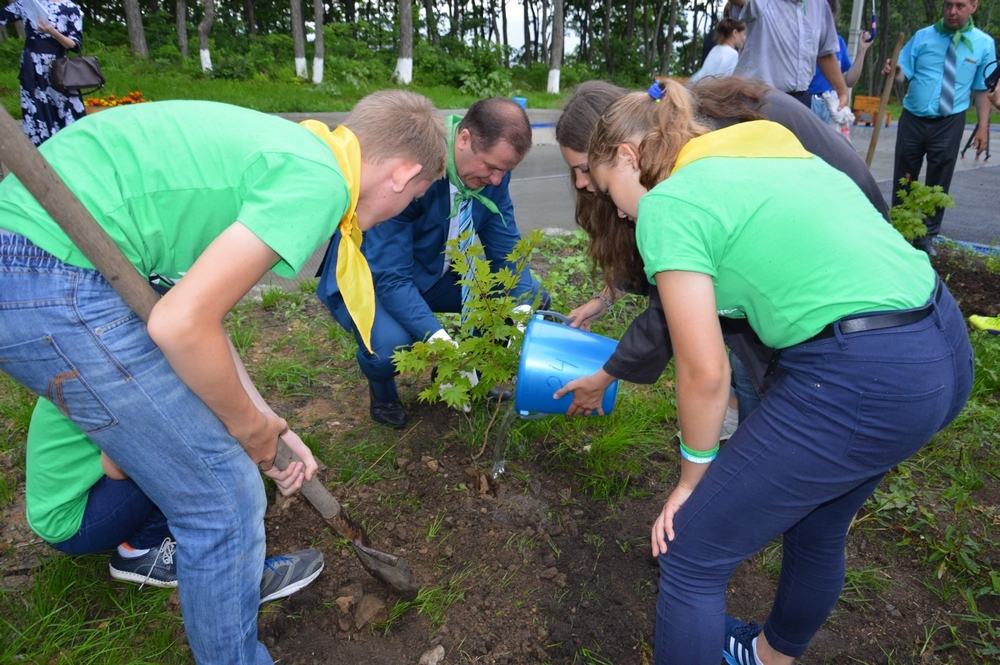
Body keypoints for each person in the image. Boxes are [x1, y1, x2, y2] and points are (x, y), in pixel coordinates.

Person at [0, 91, 447, 665]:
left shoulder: (302, 151)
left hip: (43, 260)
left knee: (223, 480)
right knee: (223, 497)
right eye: (414, 197)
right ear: (405, 172)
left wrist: (272, 429)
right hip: (46, 271)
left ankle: (229, 579)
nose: (404, 209)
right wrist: (246, 428)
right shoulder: (319, 180)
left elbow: (193, 315)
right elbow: (182, 326)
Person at [586, 79, 972, 665]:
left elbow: (705, 371)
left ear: (628, 156)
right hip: (940, 345)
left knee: (689, 553)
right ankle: (769, 657)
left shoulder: (668, 205)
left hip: (864, 373)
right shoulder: (762, 141)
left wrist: (693, 480)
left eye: (611, 189)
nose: (616, 208)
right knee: (818, 522)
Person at [553, 77, 890, 426]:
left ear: (623, 151)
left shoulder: (691, 169)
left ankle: (758, 437)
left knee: (765, 360)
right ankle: (749, 429)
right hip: (836, 249)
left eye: (584, 169)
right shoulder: (672, 128)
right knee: (752, 351)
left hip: (853, 259)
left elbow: (670, 308)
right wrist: (607, 297)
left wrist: (607, 374)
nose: (580, 183)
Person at [318, 96, 547, 429]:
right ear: (464, 139)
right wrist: (437, 338)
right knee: (388, 349)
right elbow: (391, 279)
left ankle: (471, 372)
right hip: (373, 279)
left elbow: (505, 246)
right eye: (491, 167)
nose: (497, 180)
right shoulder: (417, 169)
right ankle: (383, 392)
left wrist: (522, 311)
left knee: (527, 295)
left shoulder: (493, 177)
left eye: (505, 171)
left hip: (432, 274)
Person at [26, 397, 324, 600]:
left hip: (79, 493)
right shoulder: (109, 366)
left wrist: (266, 432)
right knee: (194, 456)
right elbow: (117, 467)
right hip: (77, 518)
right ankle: (235, 579)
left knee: (193, 436)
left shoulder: (112, 338)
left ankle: (142, 542)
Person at [883, 0, 994, 257]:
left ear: (973, 7)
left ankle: (927, 236)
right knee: (905, 173)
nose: (952, 12)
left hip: (950, 119)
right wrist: (895, 70)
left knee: (939, 177)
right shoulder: (923, 37)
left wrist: (982, 128)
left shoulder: (984, 44)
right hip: (913, 116)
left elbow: (981, 90)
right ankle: (901, 229)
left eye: (960, 6)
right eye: (947, 5)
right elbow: (902, 74)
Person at [731, 0, 849, 110]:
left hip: (801, 100)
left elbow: (825, 53)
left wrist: (842, 91)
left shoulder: (820, 5)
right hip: (758, 100)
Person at [0, 0, 86, 145]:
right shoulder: (28, 3)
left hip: (58, 67)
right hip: (32, 66)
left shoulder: (70, 8)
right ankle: (41, 153)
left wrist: (52, 32)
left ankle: (70, 150)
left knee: (66, 108)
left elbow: (75, 45)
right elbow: (3, 16)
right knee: (36, 109)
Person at [690, 18, 747, 83]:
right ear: (735, 33)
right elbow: (727, 83)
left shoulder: (715, 49)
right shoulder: (732, 54)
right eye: (744, 34)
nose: (745, 38)